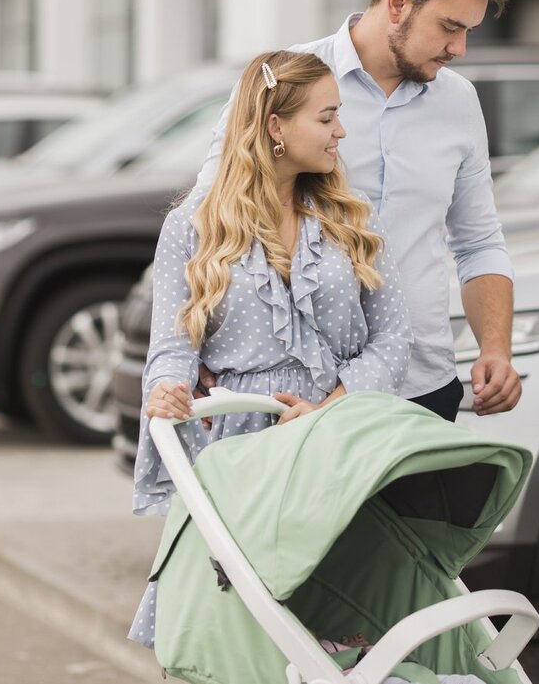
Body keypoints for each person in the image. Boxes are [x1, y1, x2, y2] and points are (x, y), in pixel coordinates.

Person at [128, 50, 413, 648]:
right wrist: (167, 388)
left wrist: (333, 404)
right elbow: (172, 344)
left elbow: (392, 338)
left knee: (342, 628)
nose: (341, 131)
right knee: (243, 636)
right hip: (240, 453)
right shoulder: (192, 225)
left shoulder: (352, 219)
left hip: (339, 443)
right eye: (327, 117)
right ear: (275, 127)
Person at [195, 0, 522, 422]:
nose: (459, 49)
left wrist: (496, 349)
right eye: (450, 27)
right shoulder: (285, 81)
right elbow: (211, 216)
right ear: (398, 4)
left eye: (467, 32)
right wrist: (191, 349)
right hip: (302, 393)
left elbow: (479, 243)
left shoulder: (459, 102)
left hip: (424, 388)